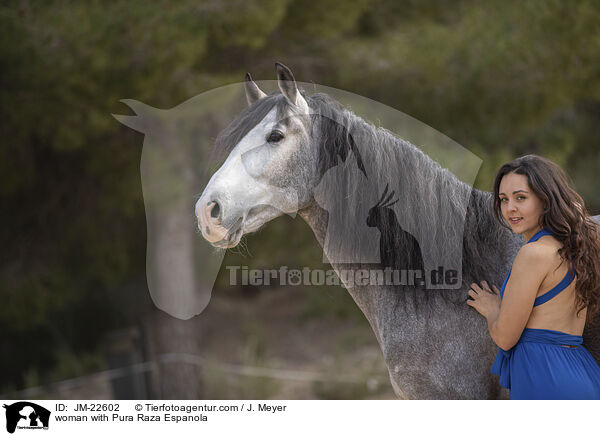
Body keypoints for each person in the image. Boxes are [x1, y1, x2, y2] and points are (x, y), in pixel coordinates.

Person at [466, 154, 600, 399]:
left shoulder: (533, 254)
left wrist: (492, 307)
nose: (509, 208)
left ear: (545, 200)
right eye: (503, 199)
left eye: (521, 198)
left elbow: (505, 339)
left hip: (544, 379)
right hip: (582, 372)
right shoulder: (579, 247)